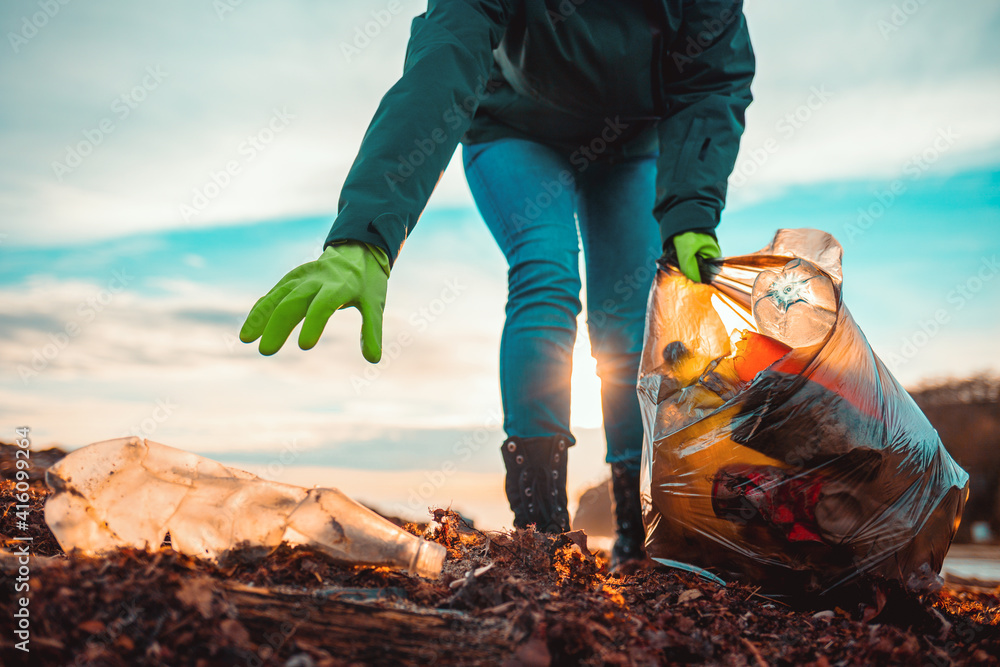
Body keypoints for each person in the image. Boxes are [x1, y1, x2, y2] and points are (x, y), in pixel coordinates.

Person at [240, 0, 755, 570]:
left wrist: (690, 214)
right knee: (545, 273)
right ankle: (542, 530)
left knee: (629, 318)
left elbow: (713, 79)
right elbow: (446, 56)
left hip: (632, 145)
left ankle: (636, 526)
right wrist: (369, 231)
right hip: (516, 128)